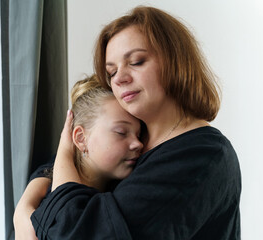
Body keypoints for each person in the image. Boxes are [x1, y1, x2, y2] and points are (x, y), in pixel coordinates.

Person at [16, 6, 241, 240]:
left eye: (136, 61)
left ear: (175, 62)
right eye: (111, 72)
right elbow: (81, 160)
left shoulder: (202, 155)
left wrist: (64, 150)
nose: (120, 79)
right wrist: (28, 200)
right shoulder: (141, 136)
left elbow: (78, 233)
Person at [14, 75, 143, 240]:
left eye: (139, 135)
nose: (137, 144)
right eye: (121, 132)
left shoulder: (123, 188)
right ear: (81, 138)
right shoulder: (48, 214)